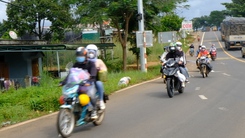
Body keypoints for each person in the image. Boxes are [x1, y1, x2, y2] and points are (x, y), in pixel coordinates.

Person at [60, 47, 99, 119]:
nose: (79, 57)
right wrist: (64, 82)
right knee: (71, 96)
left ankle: (94, 110)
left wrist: (90, 81)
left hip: (88, 84)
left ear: (86, 56)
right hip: (78, 84)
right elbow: (70, 74)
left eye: (81, 56)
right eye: (78, 56)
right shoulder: (76, 64)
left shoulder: (91, 64)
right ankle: (76, 111)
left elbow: (93, 74)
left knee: (91, 94)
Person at [86, 44, 107, 110]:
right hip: (85, 80)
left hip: (95, 80)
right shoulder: (83, 61)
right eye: (89, 51)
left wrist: (100, 69)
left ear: (96, 52)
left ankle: (101, 101)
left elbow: (104, 70)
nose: (91, 53)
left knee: (99, 83)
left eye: (93, 51)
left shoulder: (99, 61)